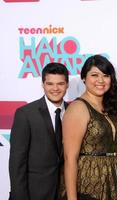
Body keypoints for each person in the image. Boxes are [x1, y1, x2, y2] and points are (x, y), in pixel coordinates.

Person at [60, 55, 117, 200]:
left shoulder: (110, 107)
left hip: (112, 180)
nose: (100, 80)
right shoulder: (78, 108)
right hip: (87, 184)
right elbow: (70, 158)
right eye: (94, 75)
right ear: (83, 78)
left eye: (105, 75)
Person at [9, 62, 69, 200]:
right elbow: (17, 163)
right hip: (34, 193)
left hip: (65, 193)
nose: (55, 88)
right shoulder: (26, 114)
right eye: (50, 84)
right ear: (43, 85)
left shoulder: (75, 111)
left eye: (60, 83)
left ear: (67, 84)